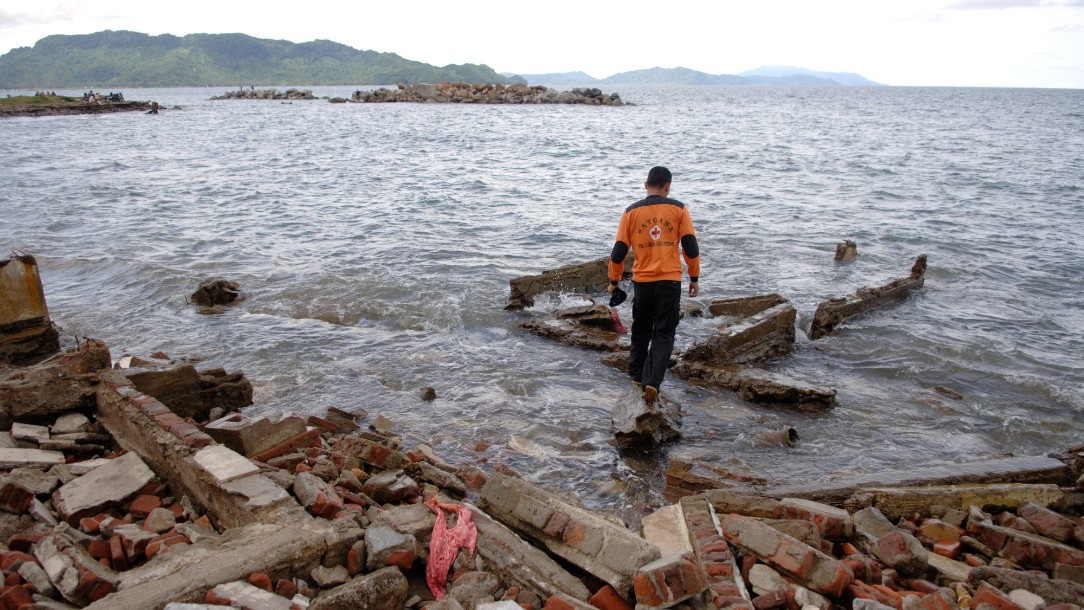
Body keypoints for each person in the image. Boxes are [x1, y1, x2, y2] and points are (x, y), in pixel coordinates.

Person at [607, 166, 701, 403]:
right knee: (664, 332)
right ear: (668, 187)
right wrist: (694, 276)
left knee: (641, 329)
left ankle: (637, 376)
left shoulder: (631, 212)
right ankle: (652, 383)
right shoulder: (679, 209)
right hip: (669, 280)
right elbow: (690, 246)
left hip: (643, 281)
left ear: (645, 184)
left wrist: (614, 281)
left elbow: (618, 252)